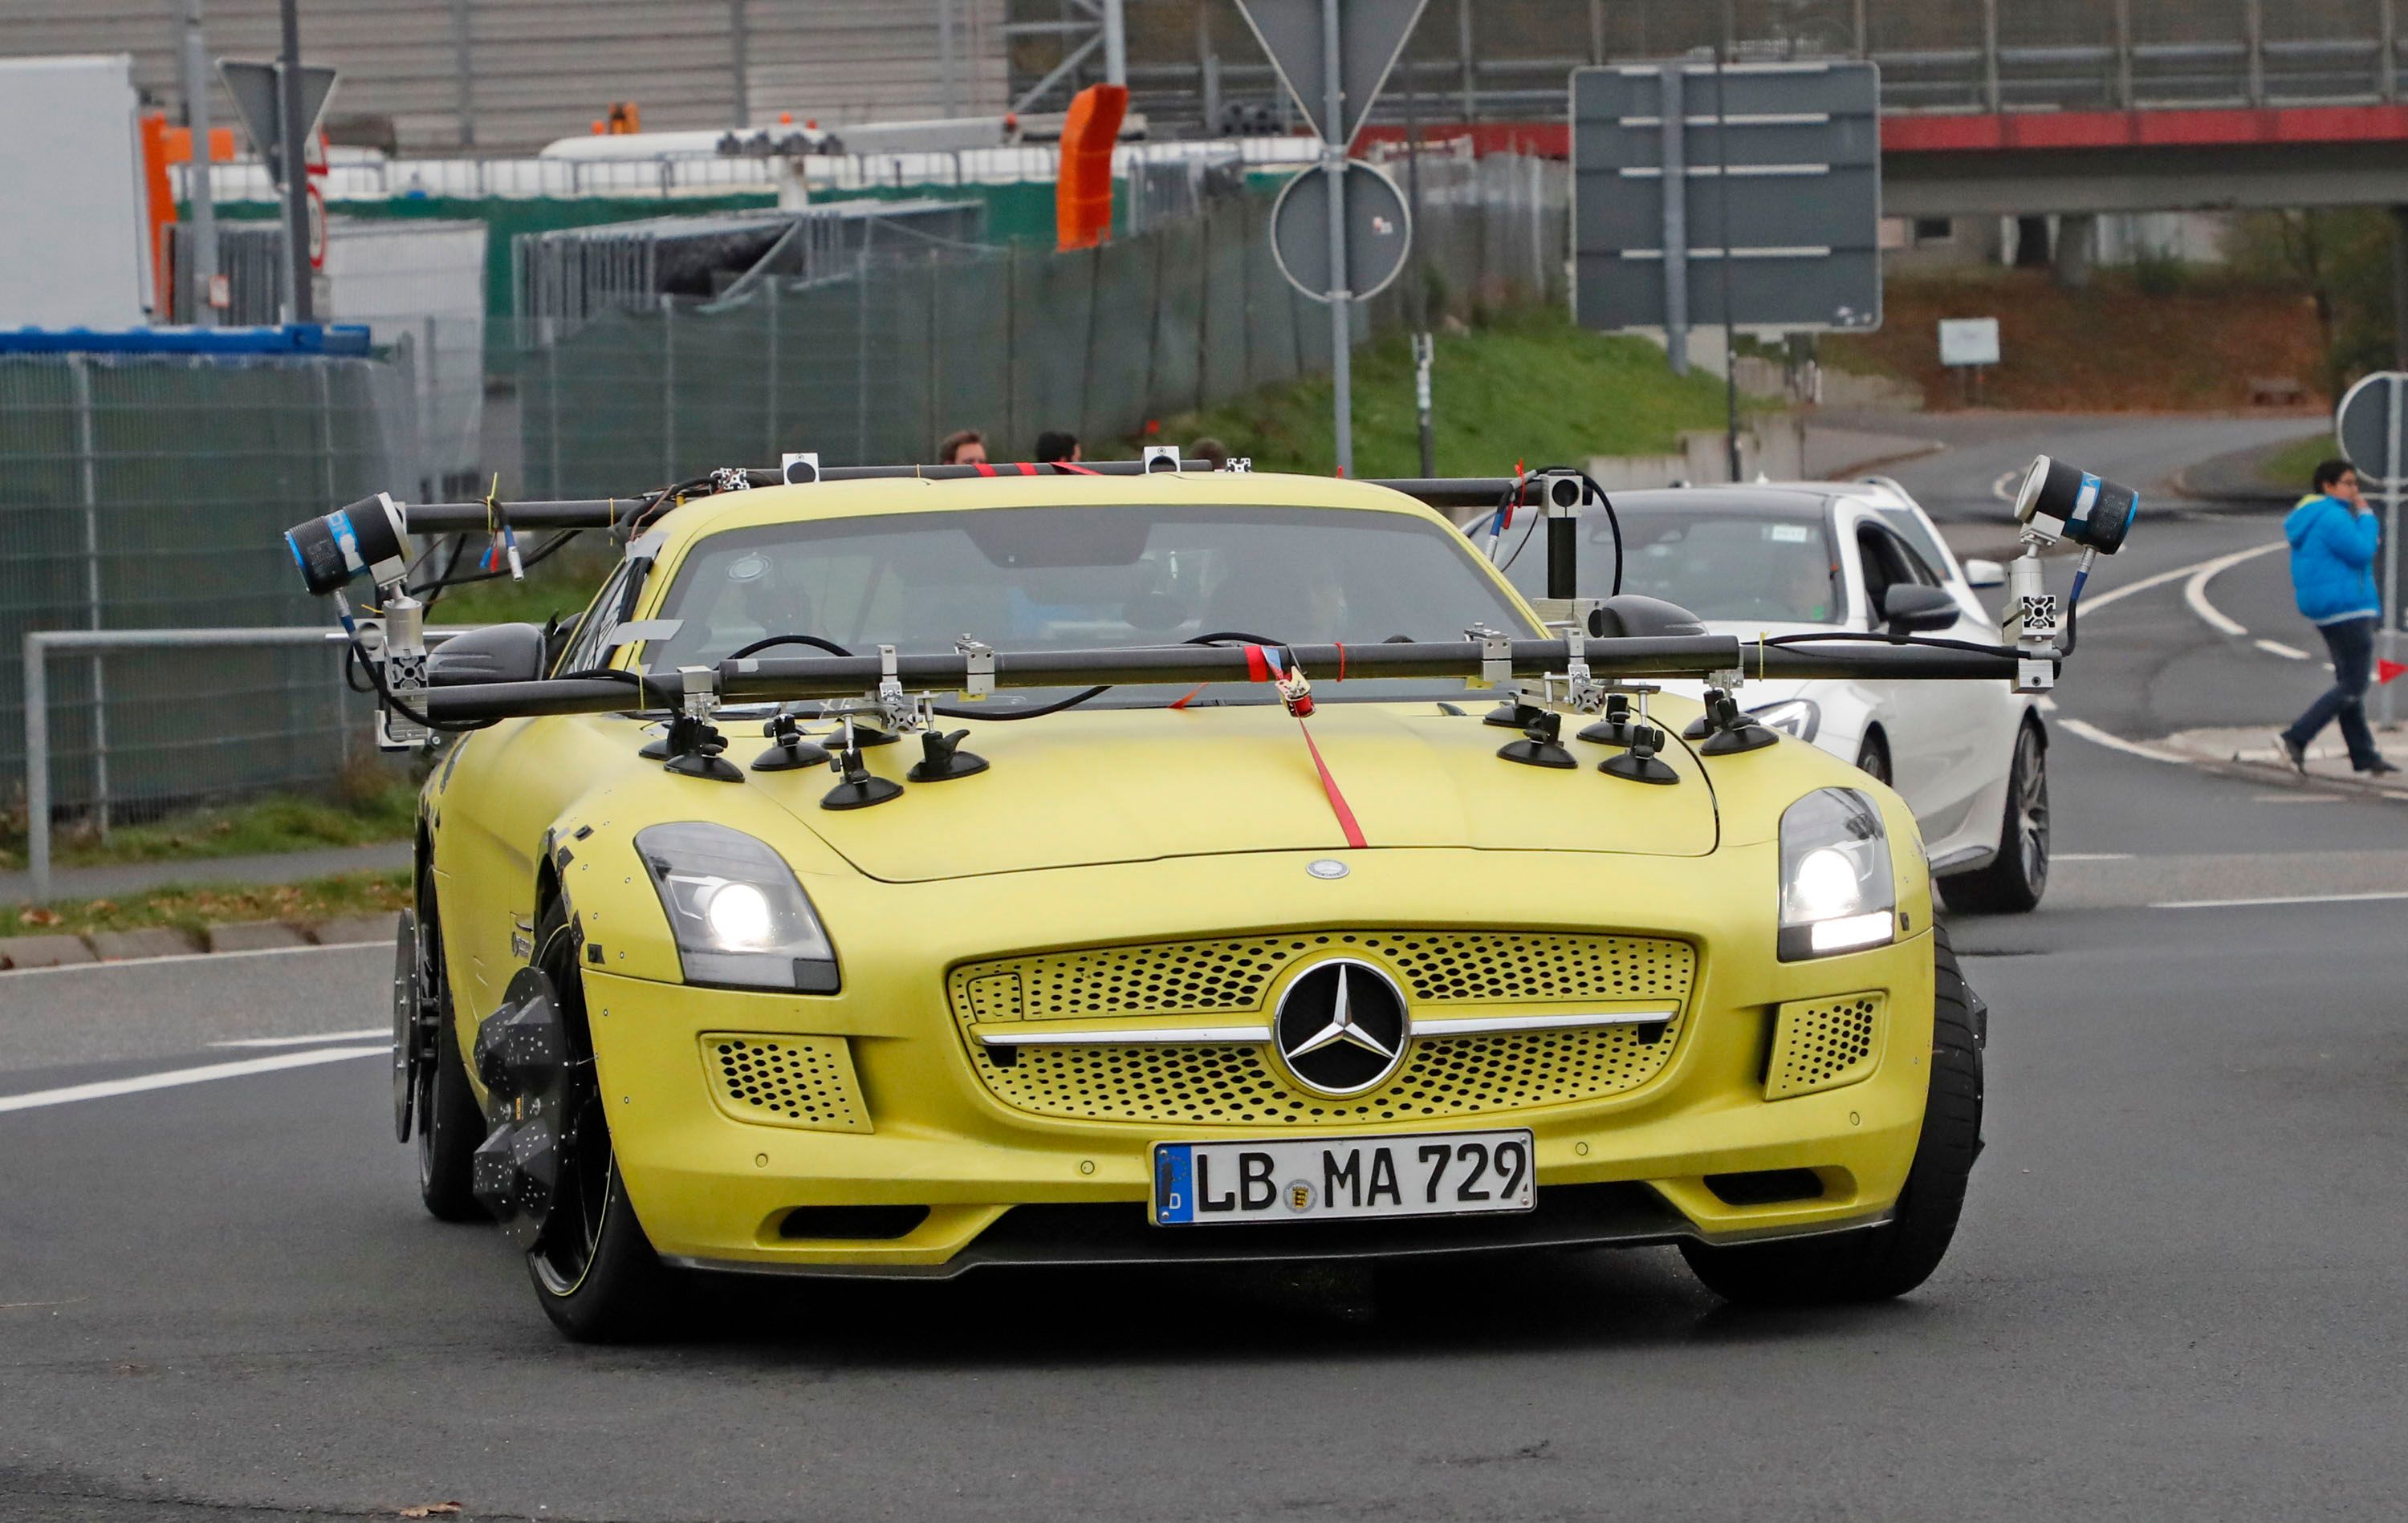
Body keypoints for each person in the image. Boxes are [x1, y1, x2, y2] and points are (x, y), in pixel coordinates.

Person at [2277, 458, 2398, 775]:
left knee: (2348, 684)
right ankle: (2297, 736)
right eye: (2348, 483)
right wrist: (2368, 517)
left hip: (2328, 607)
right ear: (2328, 487)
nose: (2355, 489)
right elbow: (2362, 552)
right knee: (2355, 683)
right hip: (2347, 606)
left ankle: (2364, 754)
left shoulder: (2311, 516)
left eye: (2355, 483)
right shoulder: (2333, 516)